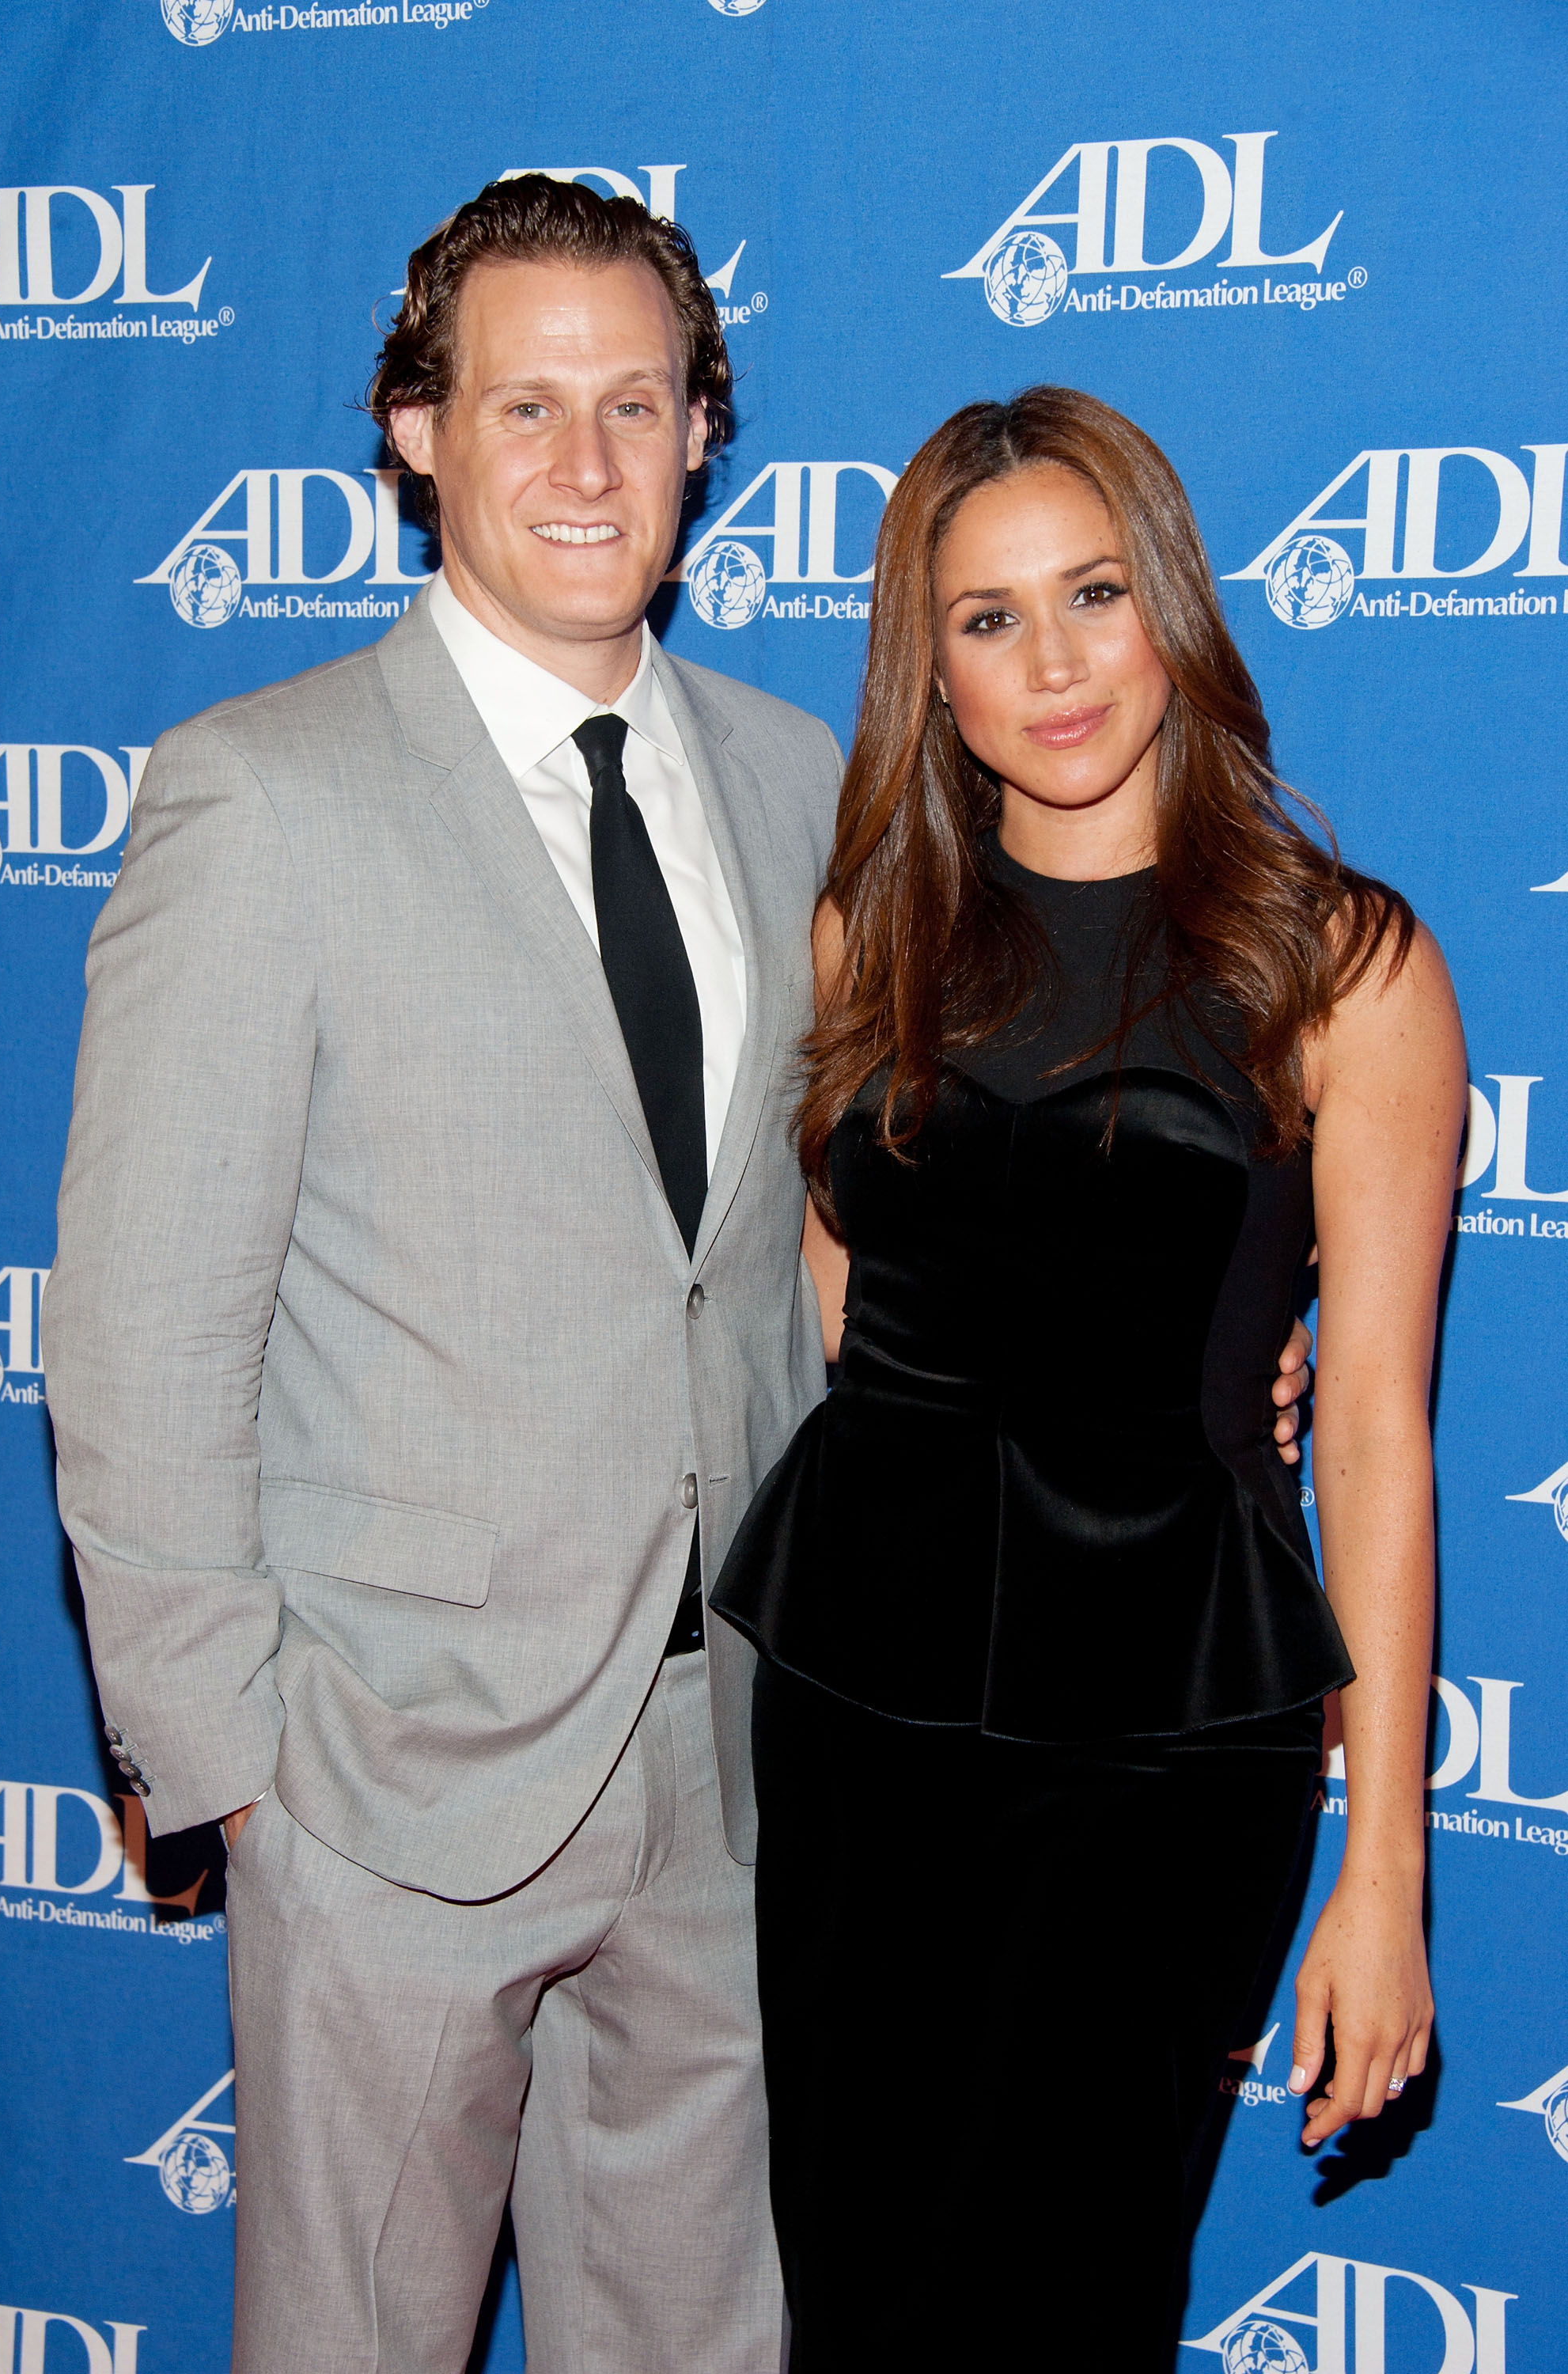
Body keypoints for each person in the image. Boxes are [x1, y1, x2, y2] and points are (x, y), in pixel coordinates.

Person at [42, 192, 1311, 2370]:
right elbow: (145, 1322)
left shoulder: (798, 783)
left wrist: (1188, 1367)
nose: (585, 464)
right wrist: (226, 1762)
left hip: (751, 1757)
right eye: (523, 405)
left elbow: (878, 1230)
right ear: (413, 430)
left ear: (706, 431)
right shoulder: (260, 794)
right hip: (386, 1771)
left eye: (635, 405)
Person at [710, 386, 1464, 2371]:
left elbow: (1371, 1431)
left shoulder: (1342, 967)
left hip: (1165, 1731)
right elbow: (836, 1294)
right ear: (931, 670)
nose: (1049, 664)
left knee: (1070, 2294)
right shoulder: (868, 935)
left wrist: (1382, 1878)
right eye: (987, 618)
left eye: (1092, 593)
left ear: (1172, 610)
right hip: (858, 1700)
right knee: (855, 2286)